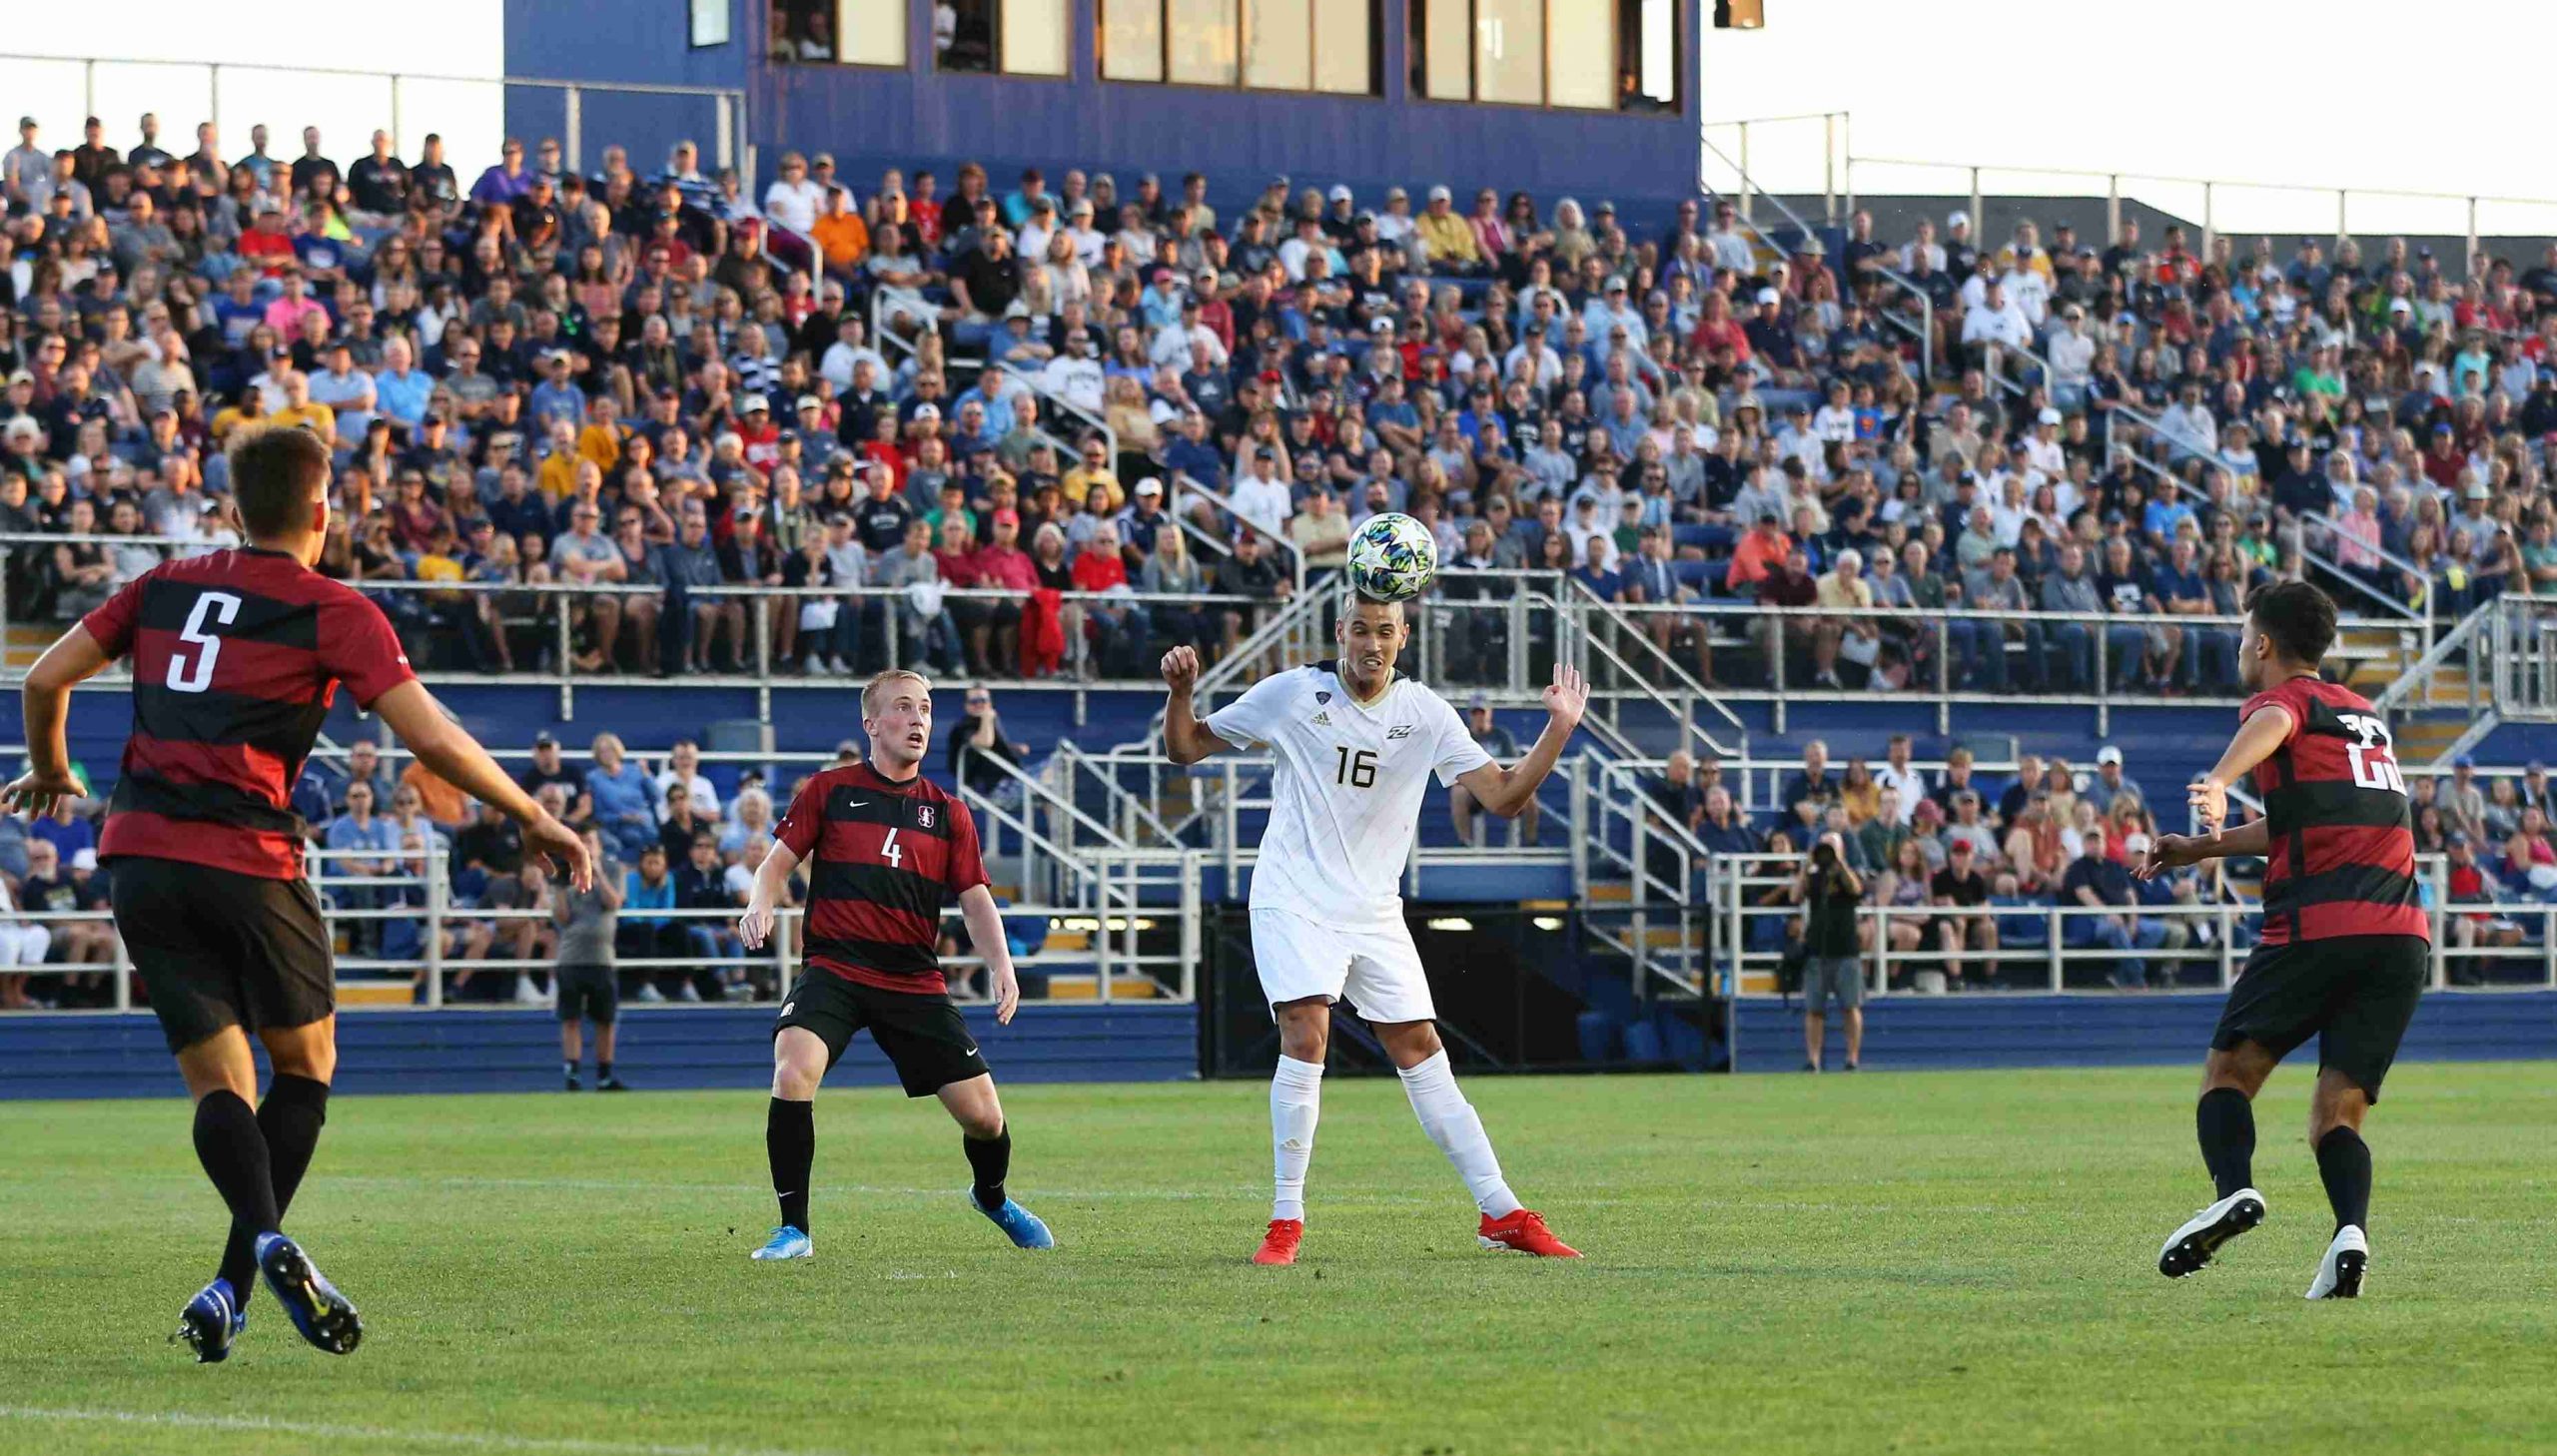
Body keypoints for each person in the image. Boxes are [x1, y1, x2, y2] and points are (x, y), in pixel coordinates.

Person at [1, 425, 589, 1364]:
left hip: (140, 857)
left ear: (234, 510)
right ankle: (253, 1258)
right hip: (247, 856)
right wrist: (530, 811)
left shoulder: (165, 586)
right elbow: (428, 737)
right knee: (305, 1072)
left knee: (217, 1086)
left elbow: (42, 677)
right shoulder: (335, 608)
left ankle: (238, 1281)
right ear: (325, 512)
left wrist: (52, 770)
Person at [1160, 599, 1590, 1265]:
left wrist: (1558, 729)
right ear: (1340, 633)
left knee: (1420, 1046)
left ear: (1403, 639)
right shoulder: (1293, 694)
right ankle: (1286, 1220)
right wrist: (1181, 696)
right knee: (1307, 1028)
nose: (1372, 643)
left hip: (1372, 908)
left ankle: (1501, 1211)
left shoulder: (1424, 713)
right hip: (1292, 896)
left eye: (1385, 632)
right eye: (1360, 629)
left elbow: (1503, 798)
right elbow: (1185, 748)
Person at [2140, 580, 2428, 1299]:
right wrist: (2198, 849)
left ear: (2263, 644)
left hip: (2318, 925)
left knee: (2227, 1075)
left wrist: (2216, 780)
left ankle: (2233, 1191)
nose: (2243, 647)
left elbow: (2270, 721)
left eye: (2245, 636)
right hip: (2400, 938)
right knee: (2339, 1110)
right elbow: (2303, 817)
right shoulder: (2364, 716)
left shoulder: (2282, 702)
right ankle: (2349, 1238)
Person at [735, 670, 1053, 1260]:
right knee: (792, 1070)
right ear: (872, 724)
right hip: (835, 967)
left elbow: (976, 899)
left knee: (985, 1120)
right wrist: (760, 902)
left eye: (926, 709)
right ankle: (794, 1230)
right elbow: (774, 865)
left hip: (912, 979)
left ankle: (991, 1196)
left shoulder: (949, 812)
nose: (918, 720)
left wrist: (1002, 967)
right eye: (904, 708)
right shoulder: (828, 791)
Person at [553, 825, 628, 1091]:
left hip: (602, 957)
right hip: (571, 956)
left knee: (605, 1020)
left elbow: (614, 902)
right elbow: (561, 918)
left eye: (590, 842)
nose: (586, 847)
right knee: (571, 1017)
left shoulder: (613, 869)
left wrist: (595, 871)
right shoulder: (564, 874)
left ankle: (604, 1074)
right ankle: (572, 1072)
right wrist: (561, 887)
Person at [1797, 830, 1865, 1073]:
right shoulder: (1815, 876)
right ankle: (1813, 1060)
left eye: (1832, 847)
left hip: (1846, 950)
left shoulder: (1849, 873)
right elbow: (1796, 896)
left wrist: (1841, 863)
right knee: (1814, 1009)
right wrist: (1805, 867)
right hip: (1818, 949)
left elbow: (1856, 890)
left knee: (1850, 1006)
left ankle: (1852, 1059)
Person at [1446, 695, 1534, 847]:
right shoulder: (1463, 737)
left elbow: (1512, 765)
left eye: (1482, 712)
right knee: (1457, 792)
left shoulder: (1502, 736)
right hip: (1473, 789)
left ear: (1489, 713)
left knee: (1530, 793)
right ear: (1470, 715)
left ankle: (1531, 840)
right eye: (1475, 713)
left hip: (1501, 784)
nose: (1479, 717)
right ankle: (1465, 841)